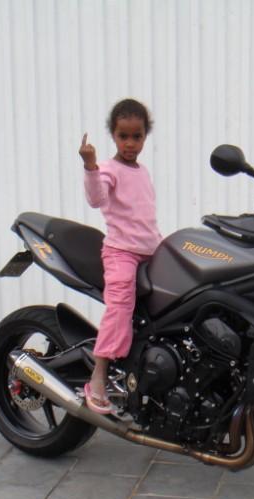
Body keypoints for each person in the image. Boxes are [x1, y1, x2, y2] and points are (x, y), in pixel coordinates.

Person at [78, 98, 162, 414]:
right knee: (120, 305)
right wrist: (90, 166)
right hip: (121, 252)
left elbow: (144, 217)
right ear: (113, 135)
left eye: (136, 136)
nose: (130, 143)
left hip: (150, 250)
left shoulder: (143, 171)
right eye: (123, 136)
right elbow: (96, 198)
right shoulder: (109, 170)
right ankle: (98, 375)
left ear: (145, 136)